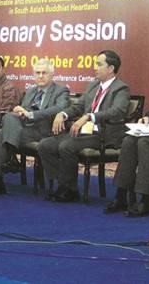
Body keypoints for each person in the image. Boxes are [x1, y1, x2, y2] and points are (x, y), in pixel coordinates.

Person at [38, 50, 130, 203]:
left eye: (99, 64)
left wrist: (90, 116)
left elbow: (118, 111)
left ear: (111, 68)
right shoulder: (93, 85)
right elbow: (78, 107)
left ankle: (69, 190)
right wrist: (63, 114)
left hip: (103, 134)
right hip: (84, 133)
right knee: (45, 145)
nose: (95, 67)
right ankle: (64, 184)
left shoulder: (121, 88)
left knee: (67, 146)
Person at [0, 58, 70, 194]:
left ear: (52, 75)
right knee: (10, 117)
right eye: (37, 73)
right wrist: (20, 111)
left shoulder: (61, 90)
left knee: (2, 134)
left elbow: (59, 108)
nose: (40, 76)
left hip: (45, 131)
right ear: (33, 75)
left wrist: (31, 114)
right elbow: (23, 112)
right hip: (25, 130)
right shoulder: (30, 91)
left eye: (44, 73)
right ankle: (8, 161)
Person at [104, 100, 149, 217]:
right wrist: (147, 117)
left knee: (145, 143)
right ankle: (121, 194)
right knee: (129, 140)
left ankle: (147, 200)